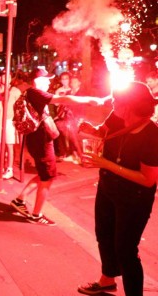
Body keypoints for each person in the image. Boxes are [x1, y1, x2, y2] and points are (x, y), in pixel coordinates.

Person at [77, 81, 158, 296]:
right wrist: (90, 130)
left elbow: (148, 179)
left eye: (116, 101)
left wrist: (106, 164)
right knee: (103, 235)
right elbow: (102, 132)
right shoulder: (116, 116)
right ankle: (107, 280)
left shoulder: (152, 135)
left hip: (134, 198)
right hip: (107, 188)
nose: (112, 104)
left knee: (126, 249)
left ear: (130, 106)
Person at [9, 68, 108, 226]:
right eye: (46, 79)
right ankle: (36, 214)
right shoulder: (36, 92)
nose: (49, 81)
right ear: (37, 80)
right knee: (48, 177)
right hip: (41, 141)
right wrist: (89, 99)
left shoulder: (33, 93)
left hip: (39, 140)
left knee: (45, 173)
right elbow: (64, 99)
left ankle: (19, 200)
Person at [3, 70, 28, 180]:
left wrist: (16, 119)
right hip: (0, 121)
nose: (4, 79)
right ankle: (4, 166)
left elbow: (21, 104)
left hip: (9, 120)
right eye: (3, 77)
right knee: (1, 145)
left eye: (7, 77)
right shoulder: (0, 90)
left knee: (9, 145)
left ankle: (10, 169)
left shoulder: (14, 91)